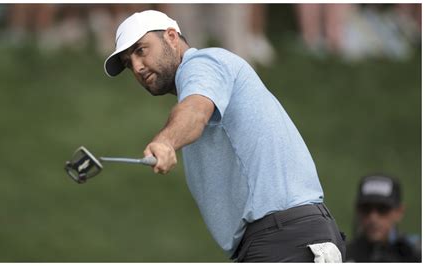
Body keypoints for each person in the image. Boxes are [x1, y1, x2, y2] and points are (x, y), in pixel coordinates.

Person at [103, 10, 346, 262]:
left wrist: (165, 142)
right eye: (128, 62)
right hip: (285, 237)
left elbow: (195, 110)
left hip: (283, 237)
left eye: (141, 50)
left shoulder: (204, 63)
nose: (138, 66)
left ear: (172, 37)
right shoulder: (201, 80)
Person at [346, 174, 421, 262]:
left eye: (382, 209)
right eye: (366, 209)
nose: (373, 218)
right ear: (357, 211)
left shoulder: (416, 253)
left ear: (399, 212)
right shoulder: (344, 255)